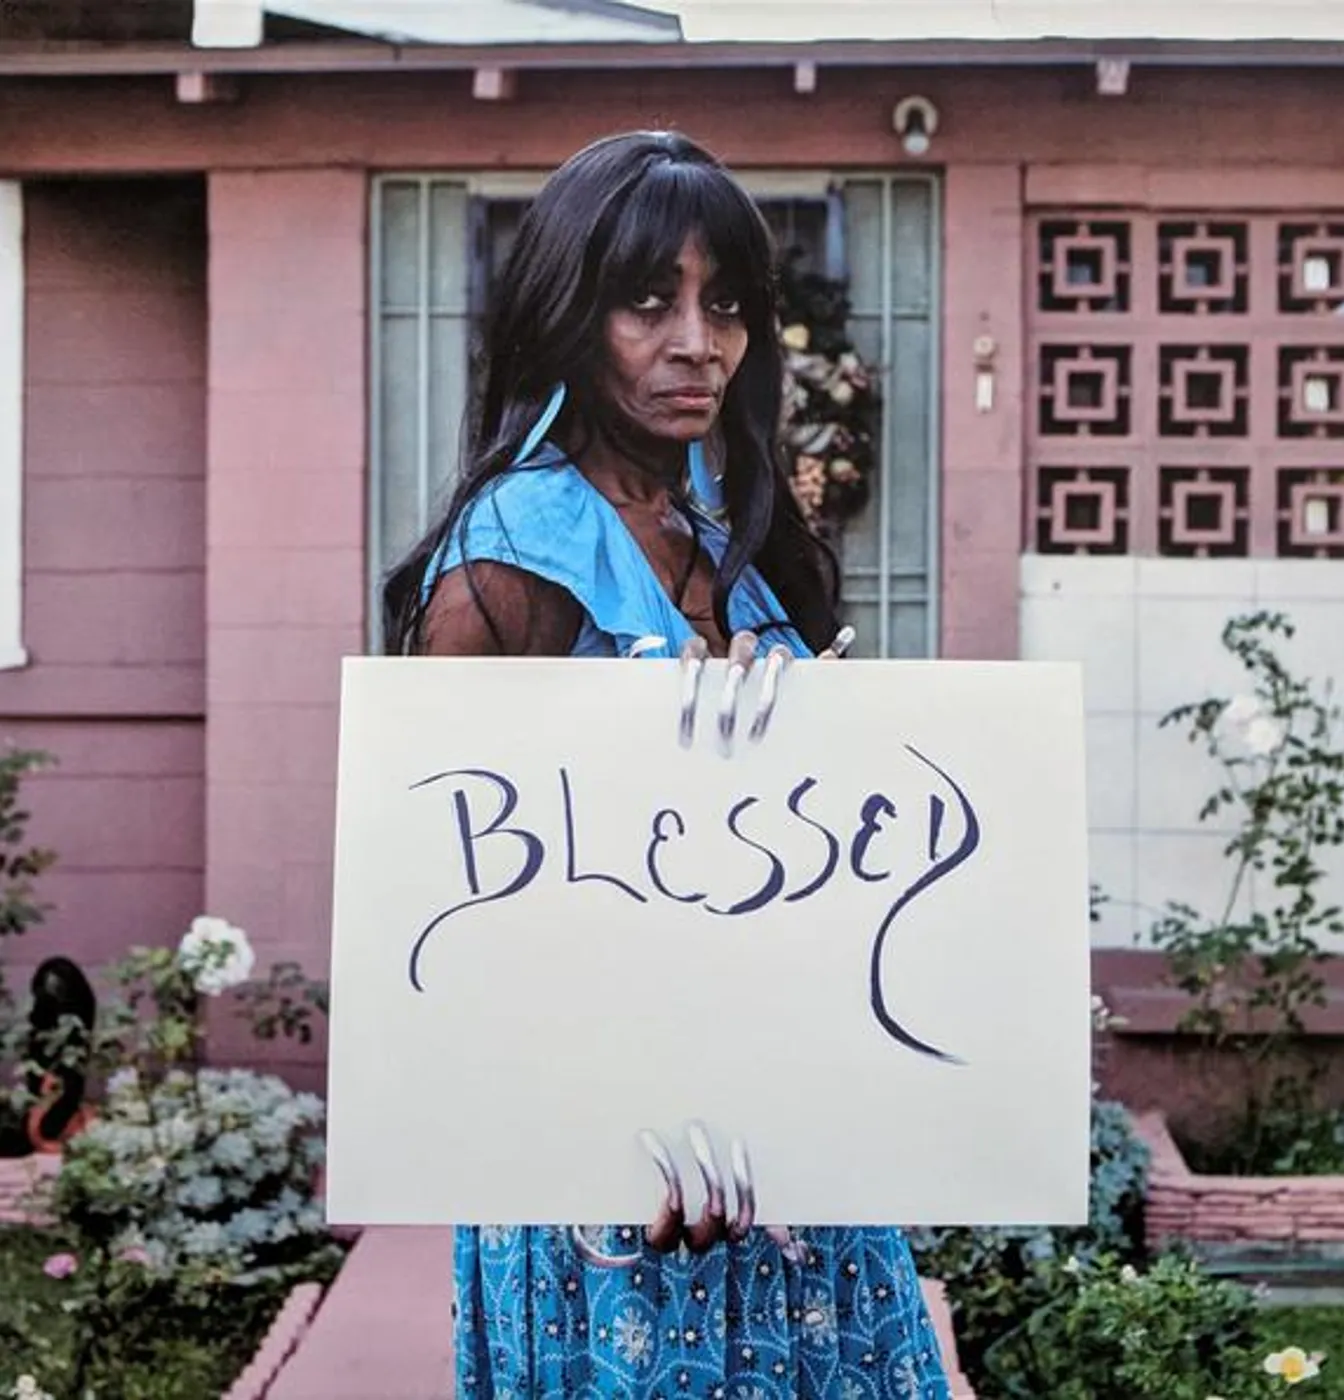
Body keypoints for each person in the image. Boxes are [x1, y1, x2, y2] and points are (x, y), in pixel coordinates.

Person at [383, 130, 950, 1400]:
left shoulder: (725, 525)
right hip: (616, 1189)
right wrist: (603, 1127)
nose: (697, 340)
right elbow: (447, 912)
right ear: (568, 314)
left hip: (788, 1155)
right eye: (649, 301)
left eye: (727, 303)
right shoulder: (505, 561)